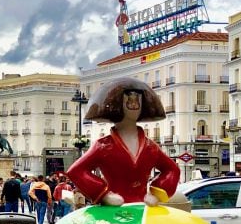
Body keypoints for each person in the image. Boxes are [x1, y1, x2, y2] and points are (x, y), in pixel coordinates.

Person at [67, 77, 179, 206]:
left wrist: (157, 195)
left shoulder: (150, 146)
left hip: (142, 207)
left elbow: (172, 169)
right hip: (115, 209)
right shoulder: (103, 146)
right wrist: (104, 195)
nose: (134, 104)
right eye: (128, 99)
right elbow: (76, 171)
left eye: (138, 99)